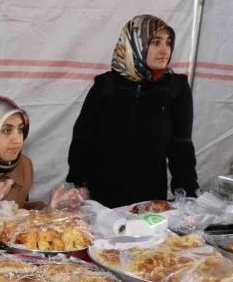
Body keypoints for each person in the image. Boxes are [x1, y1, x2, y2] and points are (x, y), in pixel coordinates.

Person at [66, 14, 198, 208]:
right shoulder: (106, 85)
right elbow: (83, 138)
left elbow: (181, 147)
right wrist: (81, 183)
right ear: (135, 43)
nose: (165, 50)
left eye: (168, 43)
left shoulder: (175, 89)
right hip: (102, 198)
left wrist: (186, 195)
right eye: (155, 42)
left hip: (149, 200)